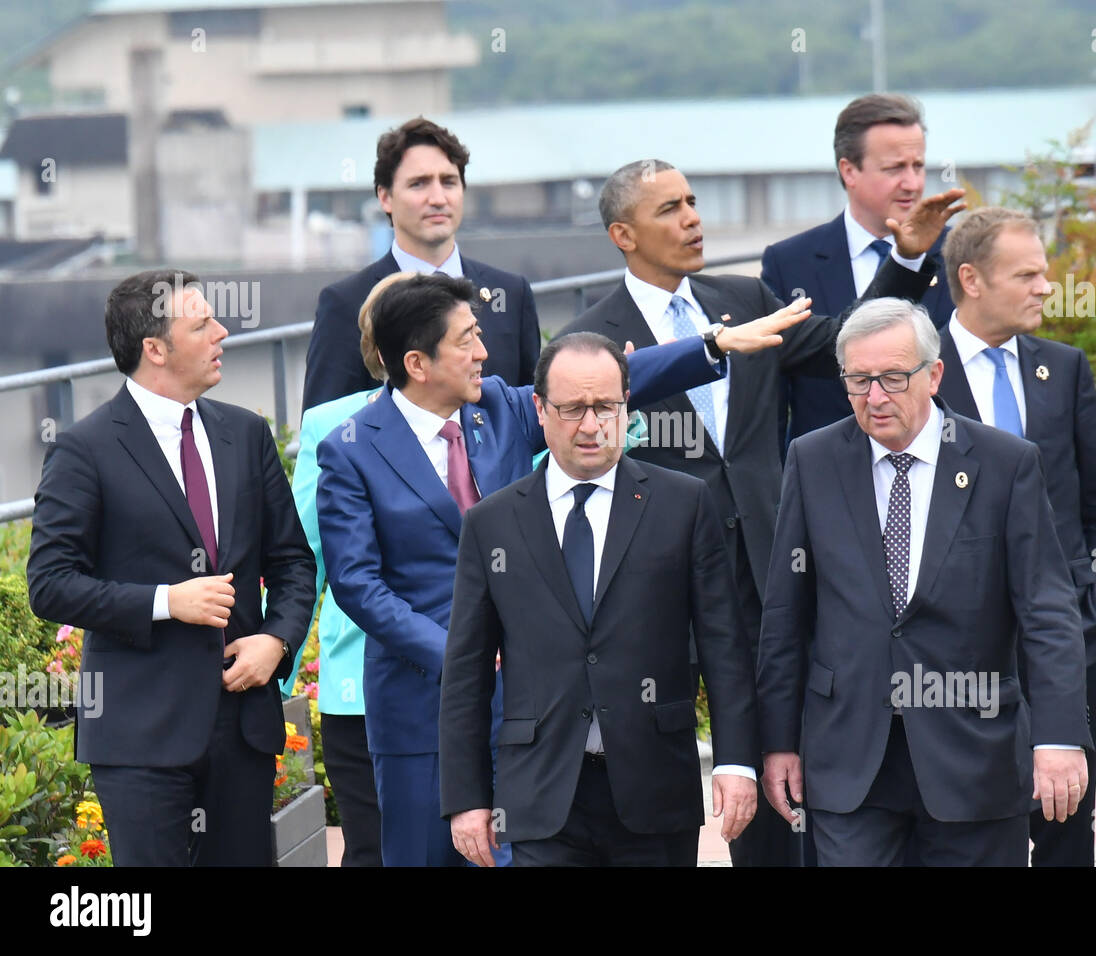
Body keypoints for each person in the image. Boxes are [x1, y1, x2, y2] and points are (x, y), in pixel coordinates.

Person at [315, 272, 808, 866]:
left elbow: (590, 387)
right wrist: (460, 652)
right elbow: (357, 583)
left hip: (536, 711)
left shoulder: (497, 406)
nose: (484, 352)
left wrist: (710, 346)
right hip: (422, 704)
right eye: (467, 339)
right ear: (417, 363)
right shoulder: (351, 446)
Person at [560, 158, 957, 867]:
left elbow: (848, 339)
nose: (693, 218)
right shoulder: (593, 338)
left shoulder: (744, 298)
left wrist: (906, 258)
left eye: (693, 201)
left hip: (774, 567)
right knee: (676, 774)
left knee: (789, 756)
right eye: (669, 209)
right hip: (662, 591)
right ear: (623, 233)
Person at [757, 297, 1093, 867]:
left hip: (973, 758)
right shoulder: (812, 461)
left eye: (892, 377)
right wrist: (779, 742)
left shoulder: (1005, 464)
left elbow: (1047, 610)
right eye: (858, 380)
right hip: (849, 760)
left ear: (934, 375)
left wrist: (1058, 737)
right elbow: (787, 614)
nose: (875, 397)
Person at [27, 269, 317, 866]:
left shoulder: (247, 433)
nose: (222, 332)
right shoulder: (85, 450)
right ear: (154, 350)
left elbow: (292, 561)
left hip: (242, 727)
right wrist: (166, 600)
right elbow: (50, 583)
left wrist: (277, 641)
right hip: (140, 735)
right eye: (201, 324)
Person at [440, 332, 760, 867]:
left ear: (626, 406)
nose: (591, 426)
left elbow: (723, 645)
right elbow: (467, 669)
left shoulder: (683, 504)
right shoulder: (491, 523)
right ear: (539, 409)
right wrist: (467, 798)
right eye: (572, 409)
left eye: (606, 407)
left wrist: (736, 763)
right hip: (541, 793)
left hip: (655, 787)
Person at [935, 206, 1096, 866]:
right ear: (973, 279)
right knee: (968, 820)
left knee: (1066, 819)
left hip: (1065, 637)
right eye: (1028, 274)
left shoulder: (1064, 368)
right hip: (956, 650)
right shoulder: (917, 377)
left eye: (1045, 273)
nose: (1046, 286)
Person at [283, 270, 415, 866]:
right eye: (464, 334)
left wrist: (625, 411)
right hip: (361, 684)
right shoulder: (331, 425)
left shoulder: (489, 418)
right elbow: (303, 557)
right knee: (375, 849)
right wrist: (273, 678)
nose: (481, 348)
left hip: (477, 681)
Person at [302, 117, 541, 413]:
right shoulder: (346, 302)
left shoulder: (510, 292)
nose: (438, 198)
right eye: (419, 184)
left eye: (449, 182)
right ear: (385, 197)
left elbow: (536, 414)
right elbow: (326, 424)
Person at [762, 93, 961, 446]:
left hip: (944, 474)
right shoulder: (789, 263)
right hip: (831, 481)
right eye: (894, 168)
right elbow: (773, 397)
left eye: (918, 166)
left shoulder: (957, 253)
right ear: (849, 170)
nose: (913, 183)